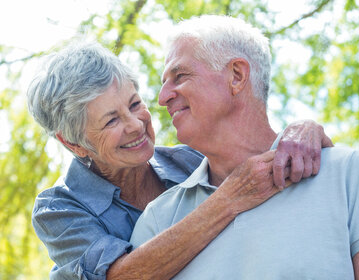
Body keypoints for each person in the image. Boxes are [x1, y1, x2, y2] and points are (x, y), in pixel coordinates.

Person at [26, 41, 333, 279]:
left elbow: (263, 161)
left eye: (135, 104)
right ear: (73, 143)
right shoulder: (59, 208)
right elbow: (122, 276)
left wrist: (302, 131)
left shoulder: (189, 160)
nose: (135, 124)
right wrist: (229, 198)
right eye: (111, 121)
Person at [130, 15, 359, 279]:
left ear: (236, 76)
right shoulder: (158, 220)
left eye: (180, 76)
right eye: (164, 83)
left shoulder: (345, 175)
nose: (162, 98)